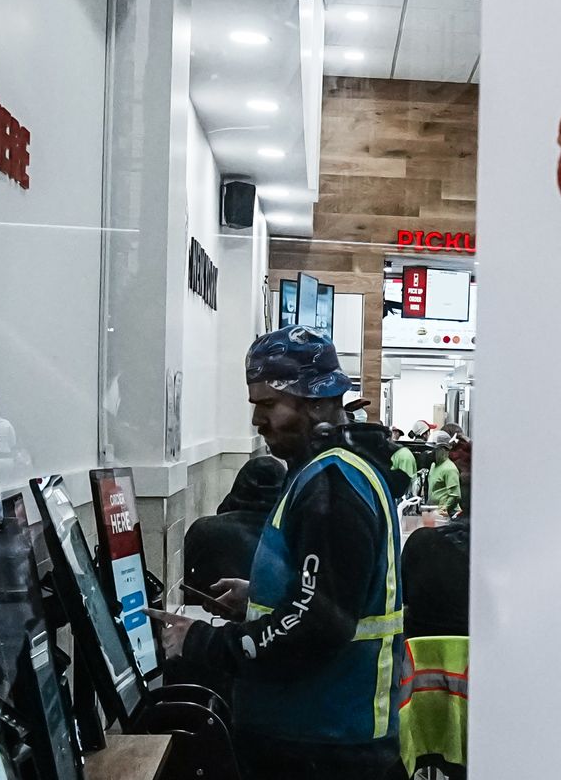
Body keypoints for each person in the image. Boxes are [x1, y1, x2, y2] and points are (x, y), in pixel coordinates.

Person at [148, 327, 405, 780]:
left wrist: (202, 642)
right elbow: (329, 594)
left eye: (269, 405)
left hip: (323, 743)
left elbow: (319, 624)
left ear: (318, 402)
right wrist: (259, 596)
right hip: (316, 736)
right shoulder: (327, 474)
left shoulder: (333, 487)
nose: (256, 421)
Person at [183, 455, 288, 601]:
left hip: (210, 613)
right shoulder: (293, 532)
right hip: (271, 617)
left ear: (239, 485)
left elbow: (179, 580)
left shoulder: (205, 529)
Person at [400, 471, 469, 641]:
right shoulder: (496, 558)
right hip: (474, 660)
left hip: (418, 659)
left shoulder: (422, 543)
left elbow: (402, 596)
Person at [426, 430, 462, 515]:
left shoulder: (450, 469)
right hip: (435, 511)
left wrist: (444, 508)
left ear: (442, 449)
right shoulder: (433, 466)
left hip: (449, 513)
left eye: (434, 449)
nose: (431, 452)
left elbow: (455, 495)